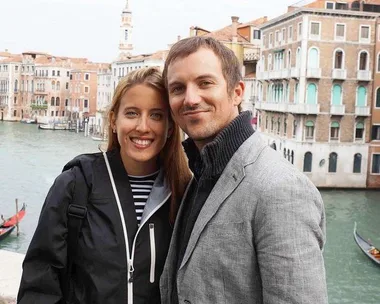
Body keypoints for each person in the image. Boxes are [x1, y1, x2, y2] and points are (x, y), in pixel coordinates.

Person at [160, 36, 328, 304]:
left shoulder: (282, 188)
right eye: (178, 88)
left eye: (205, 83)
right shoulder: (201, 174)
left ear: (237, 92)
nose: (190, 99)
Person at [17, 67, 192, 304]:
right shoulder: (74, 185)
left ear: (170, 127)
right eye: (131, 113)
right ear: (113, 120)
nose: (143, 126)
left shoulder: (185, 193)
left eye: (156, 115)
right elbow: (40, 285)